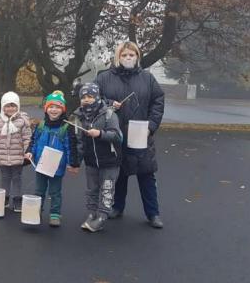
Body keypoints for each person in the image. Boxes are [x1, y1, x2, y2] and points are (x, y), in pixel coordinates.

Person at [96, 41, 165, 228]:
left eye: (132, 55)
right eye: (124, 55)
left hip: (141, 133)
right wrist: (109, 103)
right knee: (119, 173)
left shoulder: (148, 78)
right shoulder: (104, 78)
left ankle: (153, 213)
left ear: (137, 57)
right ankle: (117, 207)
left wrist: (151, 125)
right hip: (115, 133)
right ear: (118, 57)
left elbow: (158, 100)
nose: (128, 58)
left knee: (146, 174)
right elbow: (94, 99)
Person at [71, 83, 123, 232]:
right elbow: (80, 142)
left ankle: (102, 216)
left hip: (110, 161)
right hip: (91, 162)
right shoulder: (79, 117)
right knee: (91, 190)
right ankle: (91, 214)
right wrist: (76, 163)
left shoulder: (109, 114)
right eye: (84, 97)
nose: (87, 100)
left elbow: (117, 136)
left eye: (90, 96)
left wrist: (100, 134)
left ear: (97, 97)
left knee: (107, 190)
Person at [27, 91, 80, 227]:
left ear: (62, 110)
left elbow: (70, 147)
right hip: (41, 164)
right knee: (39, 190)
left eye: (57, 107)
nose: (54, 110)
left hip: (57, 166)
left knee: (55, 191)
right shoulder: (41, 125)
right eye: (51, 107)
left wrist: (72, 163)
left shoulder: (66, 127)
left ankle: (55, 214)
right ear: (46, 108)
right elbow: (34, 141)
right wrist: (29, 152)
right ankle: (36, 211)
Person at [0, 91, 32, 211]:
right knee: (5, 177)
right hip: (3, 156)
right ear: (3, 107)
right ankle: (5, 198)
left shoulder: (22, 121)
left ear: (17, 106)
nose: (10, 108)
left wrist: (27, 152)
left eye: (13, 106)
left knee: (17, 178)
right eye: (7, 106)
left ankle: (17, 200)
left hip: (18, 156)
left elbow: (27, 138)